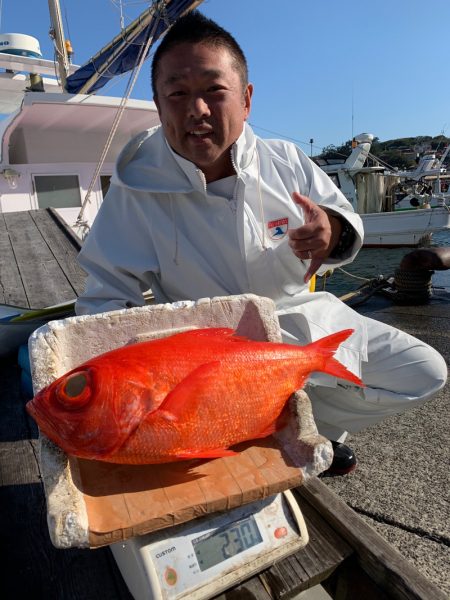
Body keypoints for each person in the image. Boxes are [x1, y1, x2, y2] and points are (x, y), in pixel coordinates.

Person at [75, 11, 447, 475]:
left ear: (246, 99)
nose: (197, 110)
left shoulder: (285, 160)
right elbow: (107, 294)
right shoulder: (135, 186)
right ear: (158, 103)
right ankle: (256, 425)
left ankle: (300, 427)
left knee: (423, 371)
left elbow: (346, 221)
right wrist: (109, 392)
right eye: (177, 94)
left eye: (214, 90)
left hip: (299, 317)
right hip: (205, 356)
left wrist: (332, 231)